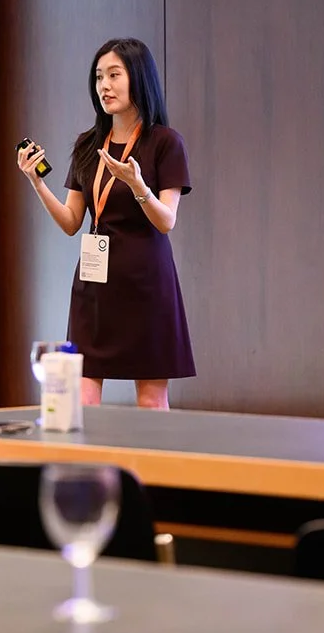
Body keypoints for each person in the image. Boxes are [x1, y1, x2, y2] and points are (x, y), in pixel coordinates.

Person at [16, 38, 195, 409]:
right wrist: (36, 182)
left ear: (139, 79)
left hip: (147, 283)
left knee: (150, 399)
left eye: (114, 75)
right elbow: (70, 222)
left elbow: (166, 222)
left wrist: (137, 184)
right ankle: (88, 467)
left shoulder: (164, 143)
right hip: (94, 285)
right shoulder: (87, 144)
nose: (104, 86)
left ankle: (150, 469)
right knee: (80, 395)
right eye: (99, 77)